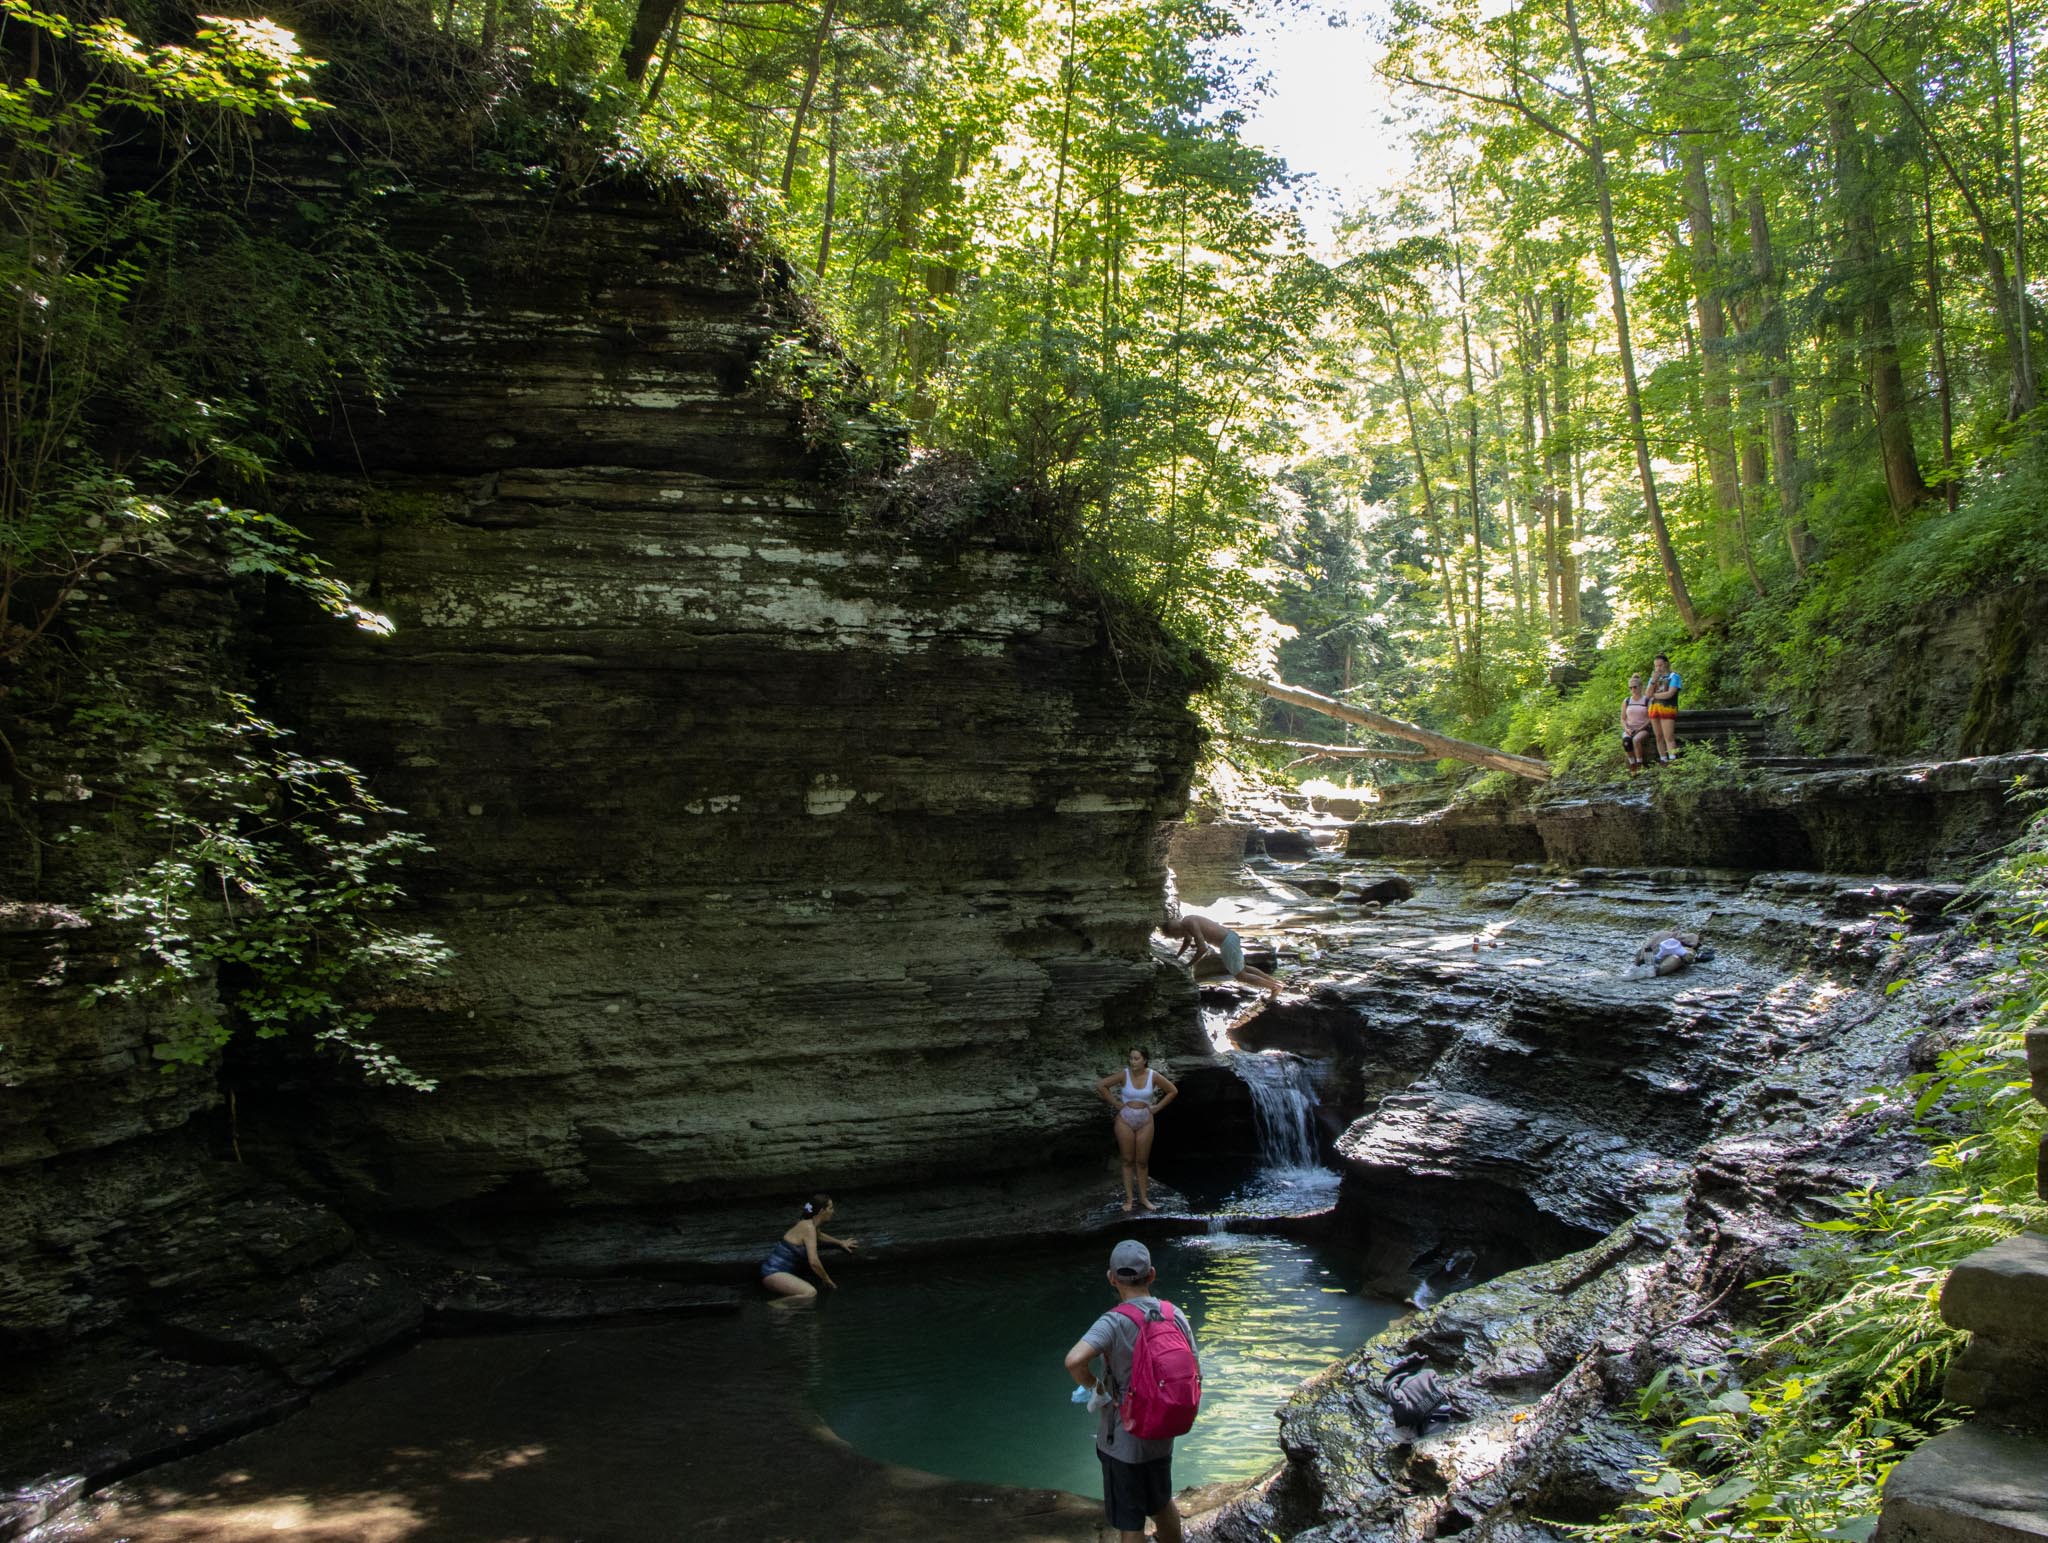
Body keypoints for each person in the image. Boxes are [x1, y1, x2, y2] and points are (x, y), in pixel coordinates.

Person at [1063, 1240, 1201, 1543]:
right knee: (1162, 1504)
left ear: (1112, 1278)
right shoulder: (1173, 1314)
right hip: (1162, 1432)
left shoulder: (1112, 1322)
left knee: (1130, 1522)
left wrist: (1096, 1389)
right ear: (1151, 1275)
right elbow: (1194, 1371)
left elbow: (1074, 1360)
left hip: (1123, 1438)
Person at [1095, 1047, 1180, 1212]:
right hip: (1125, 1120)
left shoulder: (1153, 1075)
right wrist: (1117, 1104)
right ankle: (1129, 1200)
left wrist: (1157, 1107)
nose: (1132, 1062)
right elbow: (1101, 1085)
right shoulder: (1124, 1074)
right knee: (1127, 1160)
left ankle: (1144, 1198)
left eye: (1136, 1059)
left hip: (1145, 1120)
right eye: (1131, 1058)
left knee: (1141, 1162)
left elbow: (1172, 1091)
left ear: (1144, 1060)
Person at [759, 1193, 859, 1302]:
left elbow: (819, 1235)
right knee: (810, 1293)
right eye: (830, 1208)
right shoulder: (808, 1228)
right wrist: (827, 1280)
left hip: (776, 1272)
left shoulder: (808, 1223)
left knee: (788, 1312)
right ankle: (773, 1305)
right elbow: (814, 1262)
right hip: (773, 1272)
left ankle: (780, 1311)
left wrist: (840, 1242)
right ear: (822, 1211)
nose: (833, 1211)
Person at [1159, 912, 1282, 998]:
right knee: (1243, 968)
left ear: (1175, 929)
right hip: (1230, 937)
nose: (1176, 938)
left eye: (1174, 936)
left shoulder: (1190, 924)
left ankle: (1274, 987)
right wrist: (1177, 956)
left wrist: (1189, 965)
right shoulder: (1186, 922)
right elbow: (1187, 940)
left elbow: (1202, 948)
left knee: (1241, 975)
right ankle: (1275, 983)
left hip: (1227, 943)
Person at [1647, 653, 1683, 763]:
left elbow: (1670, 693)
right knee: (1659, 737)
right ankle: (1663, 759)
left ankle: (1673, 759)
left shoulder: (1674, 676)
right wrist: (1653, 681)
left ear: (1666, 664)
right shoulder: (1653, 678)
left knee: (1669, 736)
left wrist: (1654, 695)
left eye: (1660, 665)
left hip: (1668, 708)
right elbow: (1647, 694)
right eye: (1656, 666)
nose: (1658, 668)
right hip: (1654, 708)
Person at [1621, 675, 1655, 773]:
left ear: (1640, 687)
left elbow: (1650, 718)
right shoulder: (1627, 701)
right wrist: (1626, 728)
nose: (1633, 689)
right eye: (1630, 687)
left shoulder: (1646, 700)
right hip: (1629, 727)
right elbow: (1623, 718)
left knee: (1636, 739)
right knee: (1626, 742)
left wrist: (1640, 728)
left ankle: (1640, 763)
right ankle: (1632, 764)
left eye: (1635, 687)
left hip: (1643, 728)